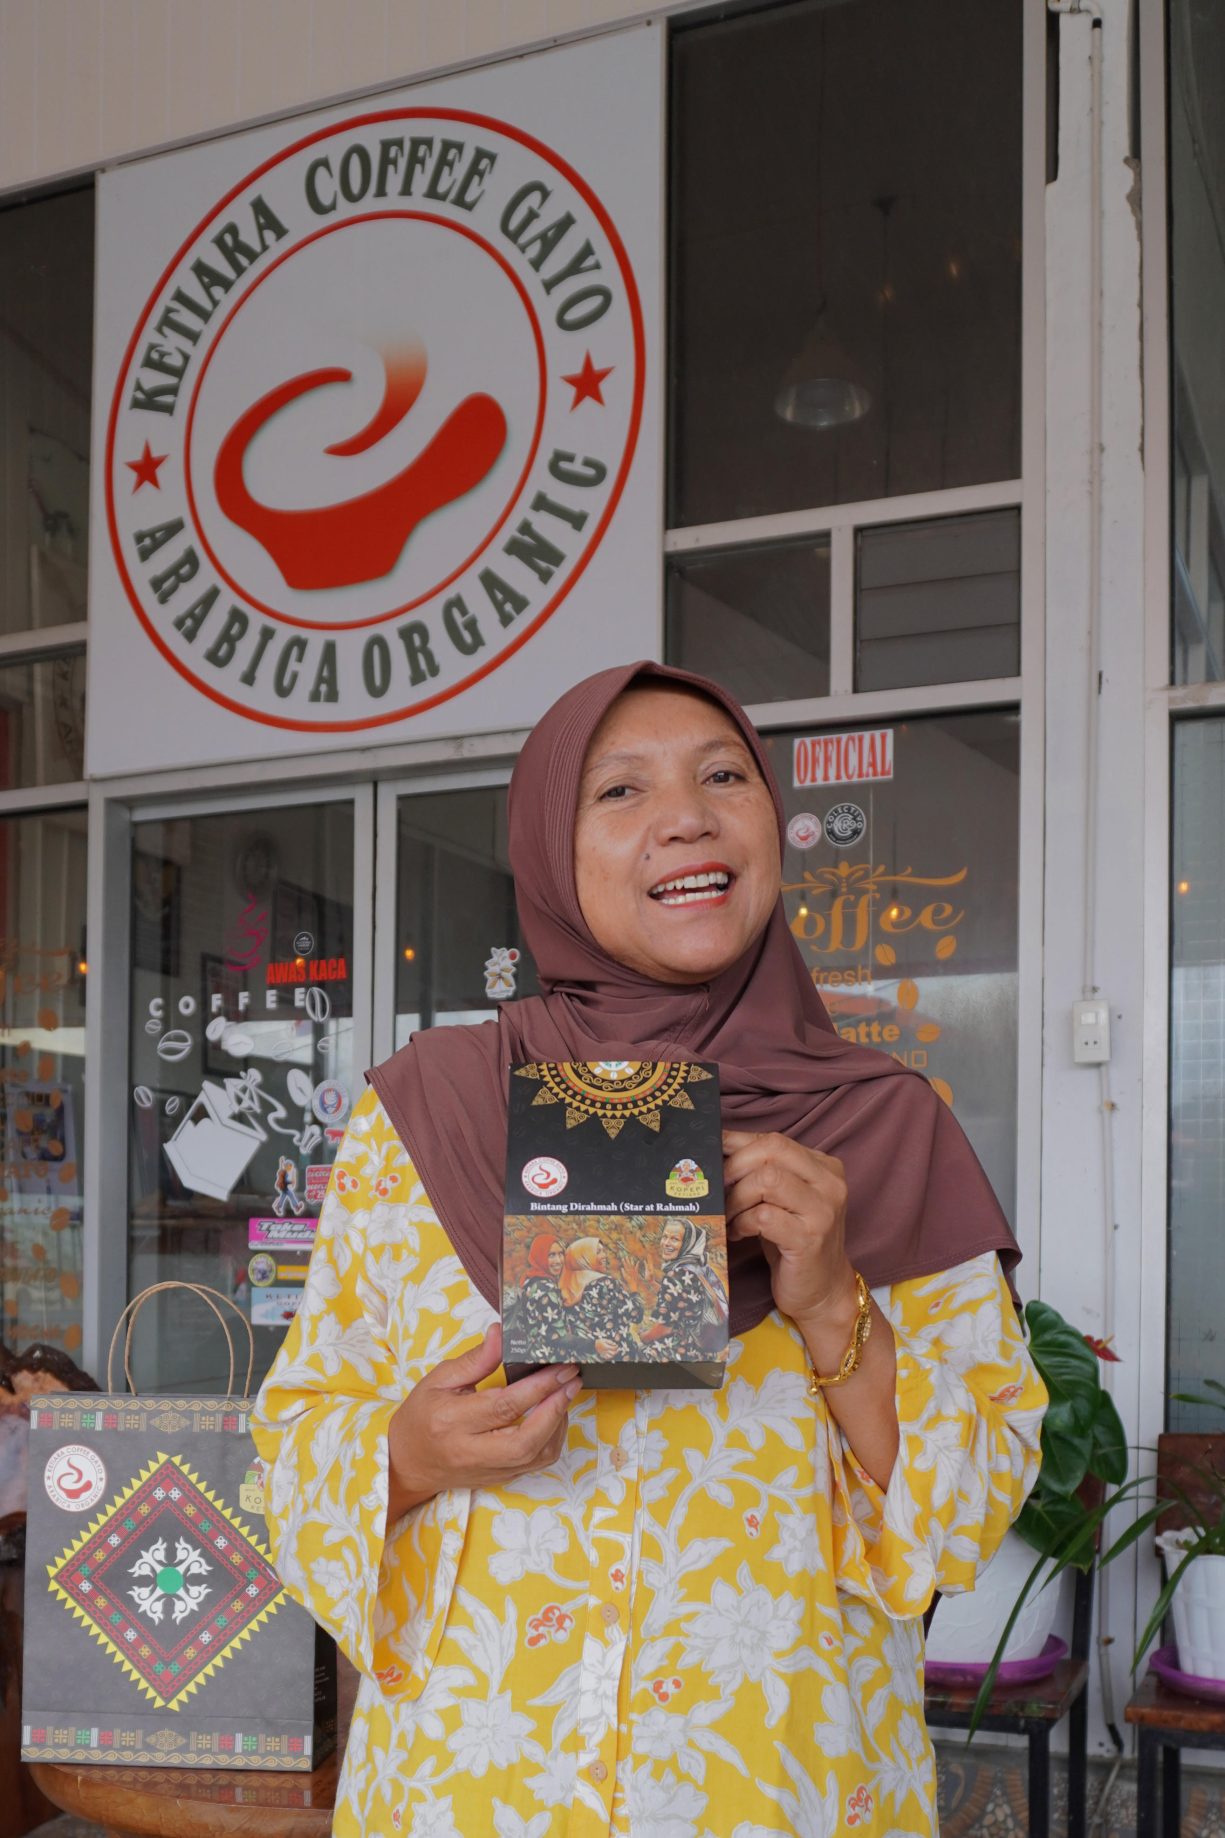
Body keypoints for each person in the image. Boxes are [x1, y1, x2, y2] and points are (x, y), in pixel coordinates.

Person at [252, 660, 1047, 1838]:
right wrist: (409, 1454)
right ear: (549, 856)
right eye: (619, 790)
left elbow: (977, 1495)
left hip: (777, 1786)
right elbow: (297, 1439)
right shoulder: (433, 1112)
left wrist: (833, 1305)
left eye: (724, 775)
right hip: (478, 1784)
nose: (686, 813)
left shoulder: (882, 1126)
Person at [641, 1219, 729, 1360]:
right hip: (705, 1353)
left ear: (688, 1243)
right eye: (665, 1236)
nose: (666, 1243)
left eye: (675, 1239)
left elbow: (664, 1328)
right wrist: (652, 1282)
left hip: (682, 1351)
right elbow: (681, 1300)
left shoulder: (678, 1275)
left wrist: (643, 1337)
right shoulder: (698, 1269)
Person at [560, 1235, 645, 1359]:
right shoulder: (604, 1283)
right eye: (598, 1252)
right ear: (583, 1257)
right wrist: (633, 1287)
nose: (604, 1256)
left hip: (585, 1357)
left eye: (603, 1251)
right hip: (617, 1354)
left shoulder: (566, 1287)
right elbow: (636, 1315)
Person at [512, 1233, 571, 1363]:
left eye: (561, 1254)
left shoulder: (529, 1280)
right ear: (539, 1257)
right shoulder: (547, 1290)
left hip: (533, 1354)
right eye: (551, 1255)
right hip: (550, 1359)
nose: (558, 1261)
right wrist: (592, 1345)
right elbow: (559, 1338)